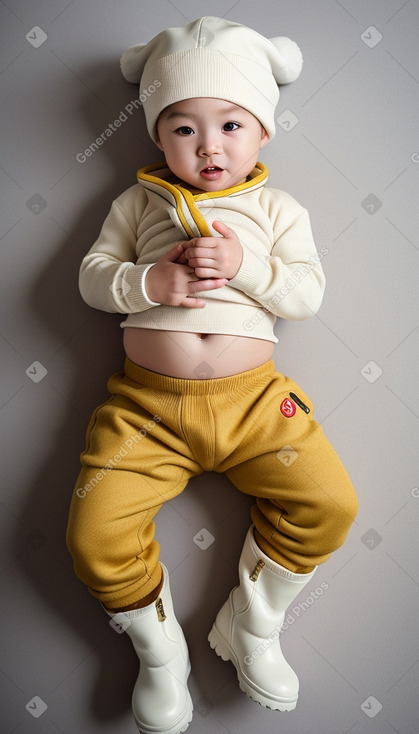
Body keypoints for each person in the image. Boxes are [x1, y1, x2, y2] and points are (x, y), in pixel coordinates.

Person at [66, 16, 358, 734]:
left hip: (254, 406)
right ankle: (158, 650)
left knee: (329, 505)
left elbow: (305, 294)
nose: (208, 146)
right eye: (183, 129)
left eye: (230, 124)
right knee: (92, 537)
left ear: (262, 131)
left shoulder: (275, 209)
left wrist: (244, 268)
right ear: (157, 137)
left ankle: (251, 625)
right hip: (146, 411)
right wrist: (147, 284)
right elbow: (91, 278)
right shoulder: (137, 204)